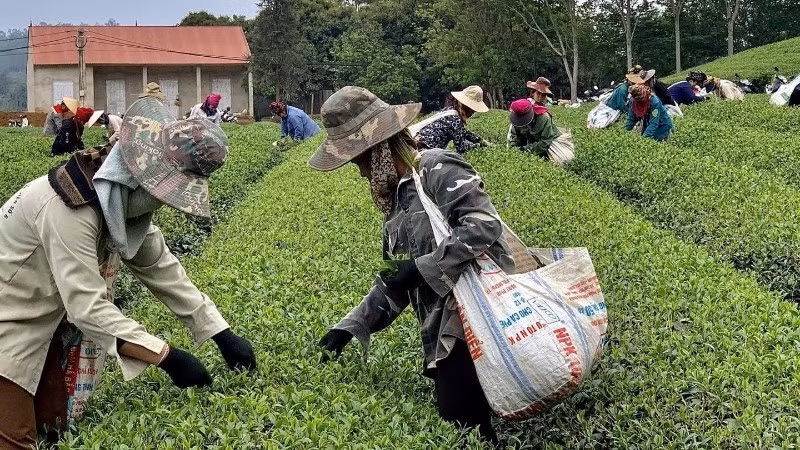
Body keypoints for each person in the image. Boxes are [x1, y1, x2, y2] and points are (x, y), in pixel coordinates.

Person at [0, 96, 257, 449]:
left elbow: (160, 267)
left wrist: (220, 333)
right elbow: (87, 307)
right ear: (140, 178)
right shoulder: (69, 209)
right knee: (17, 438)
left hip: (43, 324)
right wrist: (167, 357)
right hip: (9, 325)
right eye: (163, 194)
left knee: (54, 427)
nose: (162, 203)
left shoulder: (115, 200)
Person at [312, 86, 519, 444]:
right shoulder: (396, 204)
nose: (361, 174)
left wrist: (424, 266)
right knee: (458, 420)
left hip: (478, 316)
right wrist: (350, 327)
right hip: (440, 330)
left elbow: (484, 225)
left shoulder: (437, 167)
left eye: (359, 162)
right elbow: (395, 282)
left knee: (464, 425)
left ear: (377, 150)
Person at [413, 85, 493, 154]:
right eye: (472, 110)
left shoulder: (449, 110)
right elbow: (462, 149)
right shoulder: (455, 120)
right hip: (422, 150)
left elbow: (463, 132)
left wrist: (481, 140)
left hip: (416, 144)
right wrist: (479, 145)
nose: (472, 113)